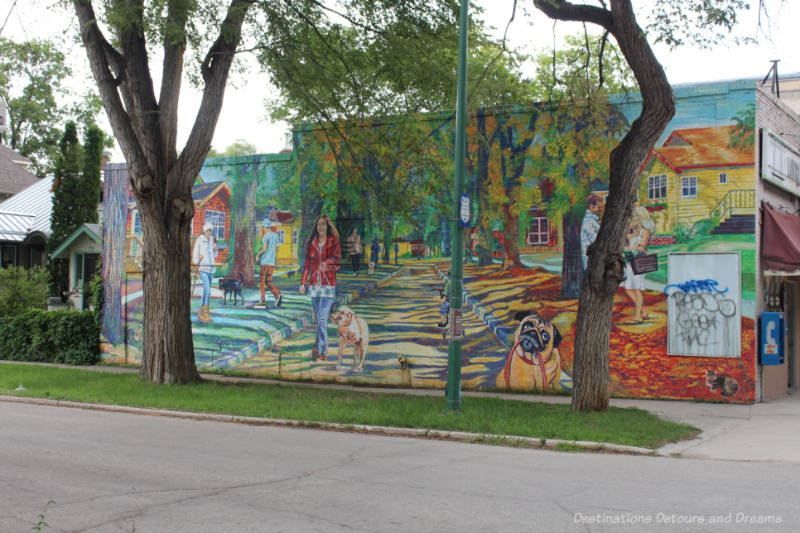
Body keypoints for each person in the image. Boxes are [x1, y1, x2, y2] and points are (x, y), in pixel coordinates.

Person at [299, 214, 341, 361]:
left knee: (322, 320)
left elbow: (337, 261)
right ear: (316, 227)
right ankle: (320, 348)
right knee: (319, 321)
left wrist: (327, 263)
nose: (321, 227)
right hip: (314, 286)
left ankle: (324, 351)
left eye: (323, 224)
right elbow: (307, 266)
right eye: (319, 225)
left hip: (328, 285)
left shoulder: (333, 241)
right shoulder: (312, 243)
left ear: (327, 226)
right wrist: (303, 283)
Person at [621, 206, 656, 324]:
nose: (633, 219)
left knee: (637, 289)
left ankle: (638, 316)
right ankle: (643, 312)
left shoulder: (645, 231)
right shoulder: (634, 231)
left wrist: (631, 247)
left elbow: (642, 247)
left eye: (635, 217)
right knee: (628, 289)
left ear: (641, 218)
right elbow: (624, 240)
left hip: (639, 261)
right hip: (630, 262)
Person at [192, 222, 218, 323]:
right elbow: (194, 258)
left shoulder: (212, 240)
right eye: (208, 231)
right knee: (208, 291)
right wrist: (198, 258)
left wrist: (216, 249)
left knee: (205, 292)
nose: (209, 234)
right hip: (203, 269)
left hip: (211, 269)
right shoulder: (199, 240)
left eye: (210, 232)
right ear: (204, 231)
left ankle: (201, 313)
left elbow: (215, 255)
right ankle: (206, 314)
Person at [255, 218, 283, 307]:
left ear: (266, 227)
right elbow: (277, 249)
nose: (263, 229)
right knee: (268, 281)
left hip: (264, 262)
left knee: (262, 282)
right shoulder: (276, 236)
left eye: (263, 227)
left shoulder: (266, 236)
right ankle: (278, 294)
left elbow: (264, 249)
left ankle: (263, 300)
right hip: (271, 262)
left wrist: (257, 255)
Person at [580, 195, 603, 272]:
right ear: (591, 206)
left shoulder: (593, 221)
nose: (601, 210)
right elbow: (596, 240)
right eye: (599, 208)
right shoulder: (588, 222)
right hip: (591, 263)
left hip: (595, 261)